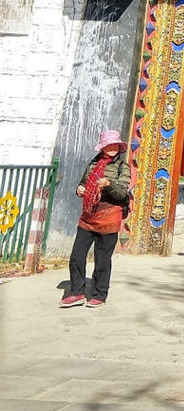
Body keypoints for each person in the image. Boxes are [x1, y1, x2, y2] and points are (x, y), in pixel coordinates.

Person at [60, 130, 132, 309]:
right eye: (109, 145)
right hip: (89, 216)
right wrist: (80, 189)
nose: (113, 148)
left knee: (102, 259)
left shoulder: (123, 167)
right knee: (77, 256)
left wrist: (109, 184)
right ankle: (77, 292)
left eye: (116, 145)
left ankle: (99, 294)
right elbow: (83, 182)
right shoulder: (93, 164)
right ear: (102, 147)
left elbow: (122, 193)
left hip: (110, 217)